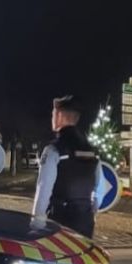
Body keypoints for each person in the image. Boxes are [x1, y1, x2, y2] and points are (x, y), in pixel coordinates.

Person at [33, 95, 102, 237]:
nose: (52, 118)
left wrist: (37, 224)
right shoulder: (92, 150)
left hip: (60, 222)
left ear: (59, 116)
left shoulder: (54, 150)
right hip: (85, 222)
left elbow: (44, 189)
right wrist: (91, 210)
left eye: (53, 114)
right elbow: (100, 187)